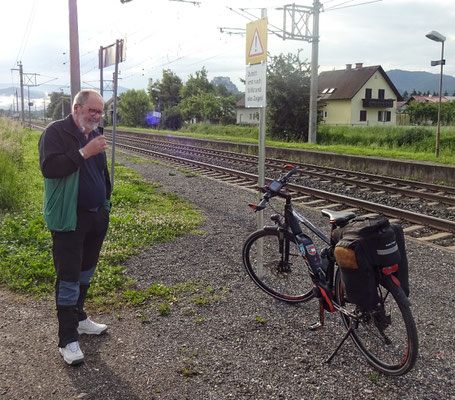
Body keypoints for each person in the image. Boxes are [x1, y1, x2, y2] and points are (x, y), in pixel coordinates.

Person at [38, 89, 112, 365]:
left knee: (85, 273)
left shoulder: (95, 132)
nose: (96, 115)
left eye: (100, 111)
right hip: (69, 217)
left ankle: (79, 318)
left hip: (95, 216)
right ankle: (67, 339)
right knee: (68, 278)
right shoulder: (56, 132)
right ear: (77, 107)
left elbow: (102, 172)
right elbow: (49, 168)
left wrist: (105, 203)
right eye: (92, 110)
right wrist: (83, 152)